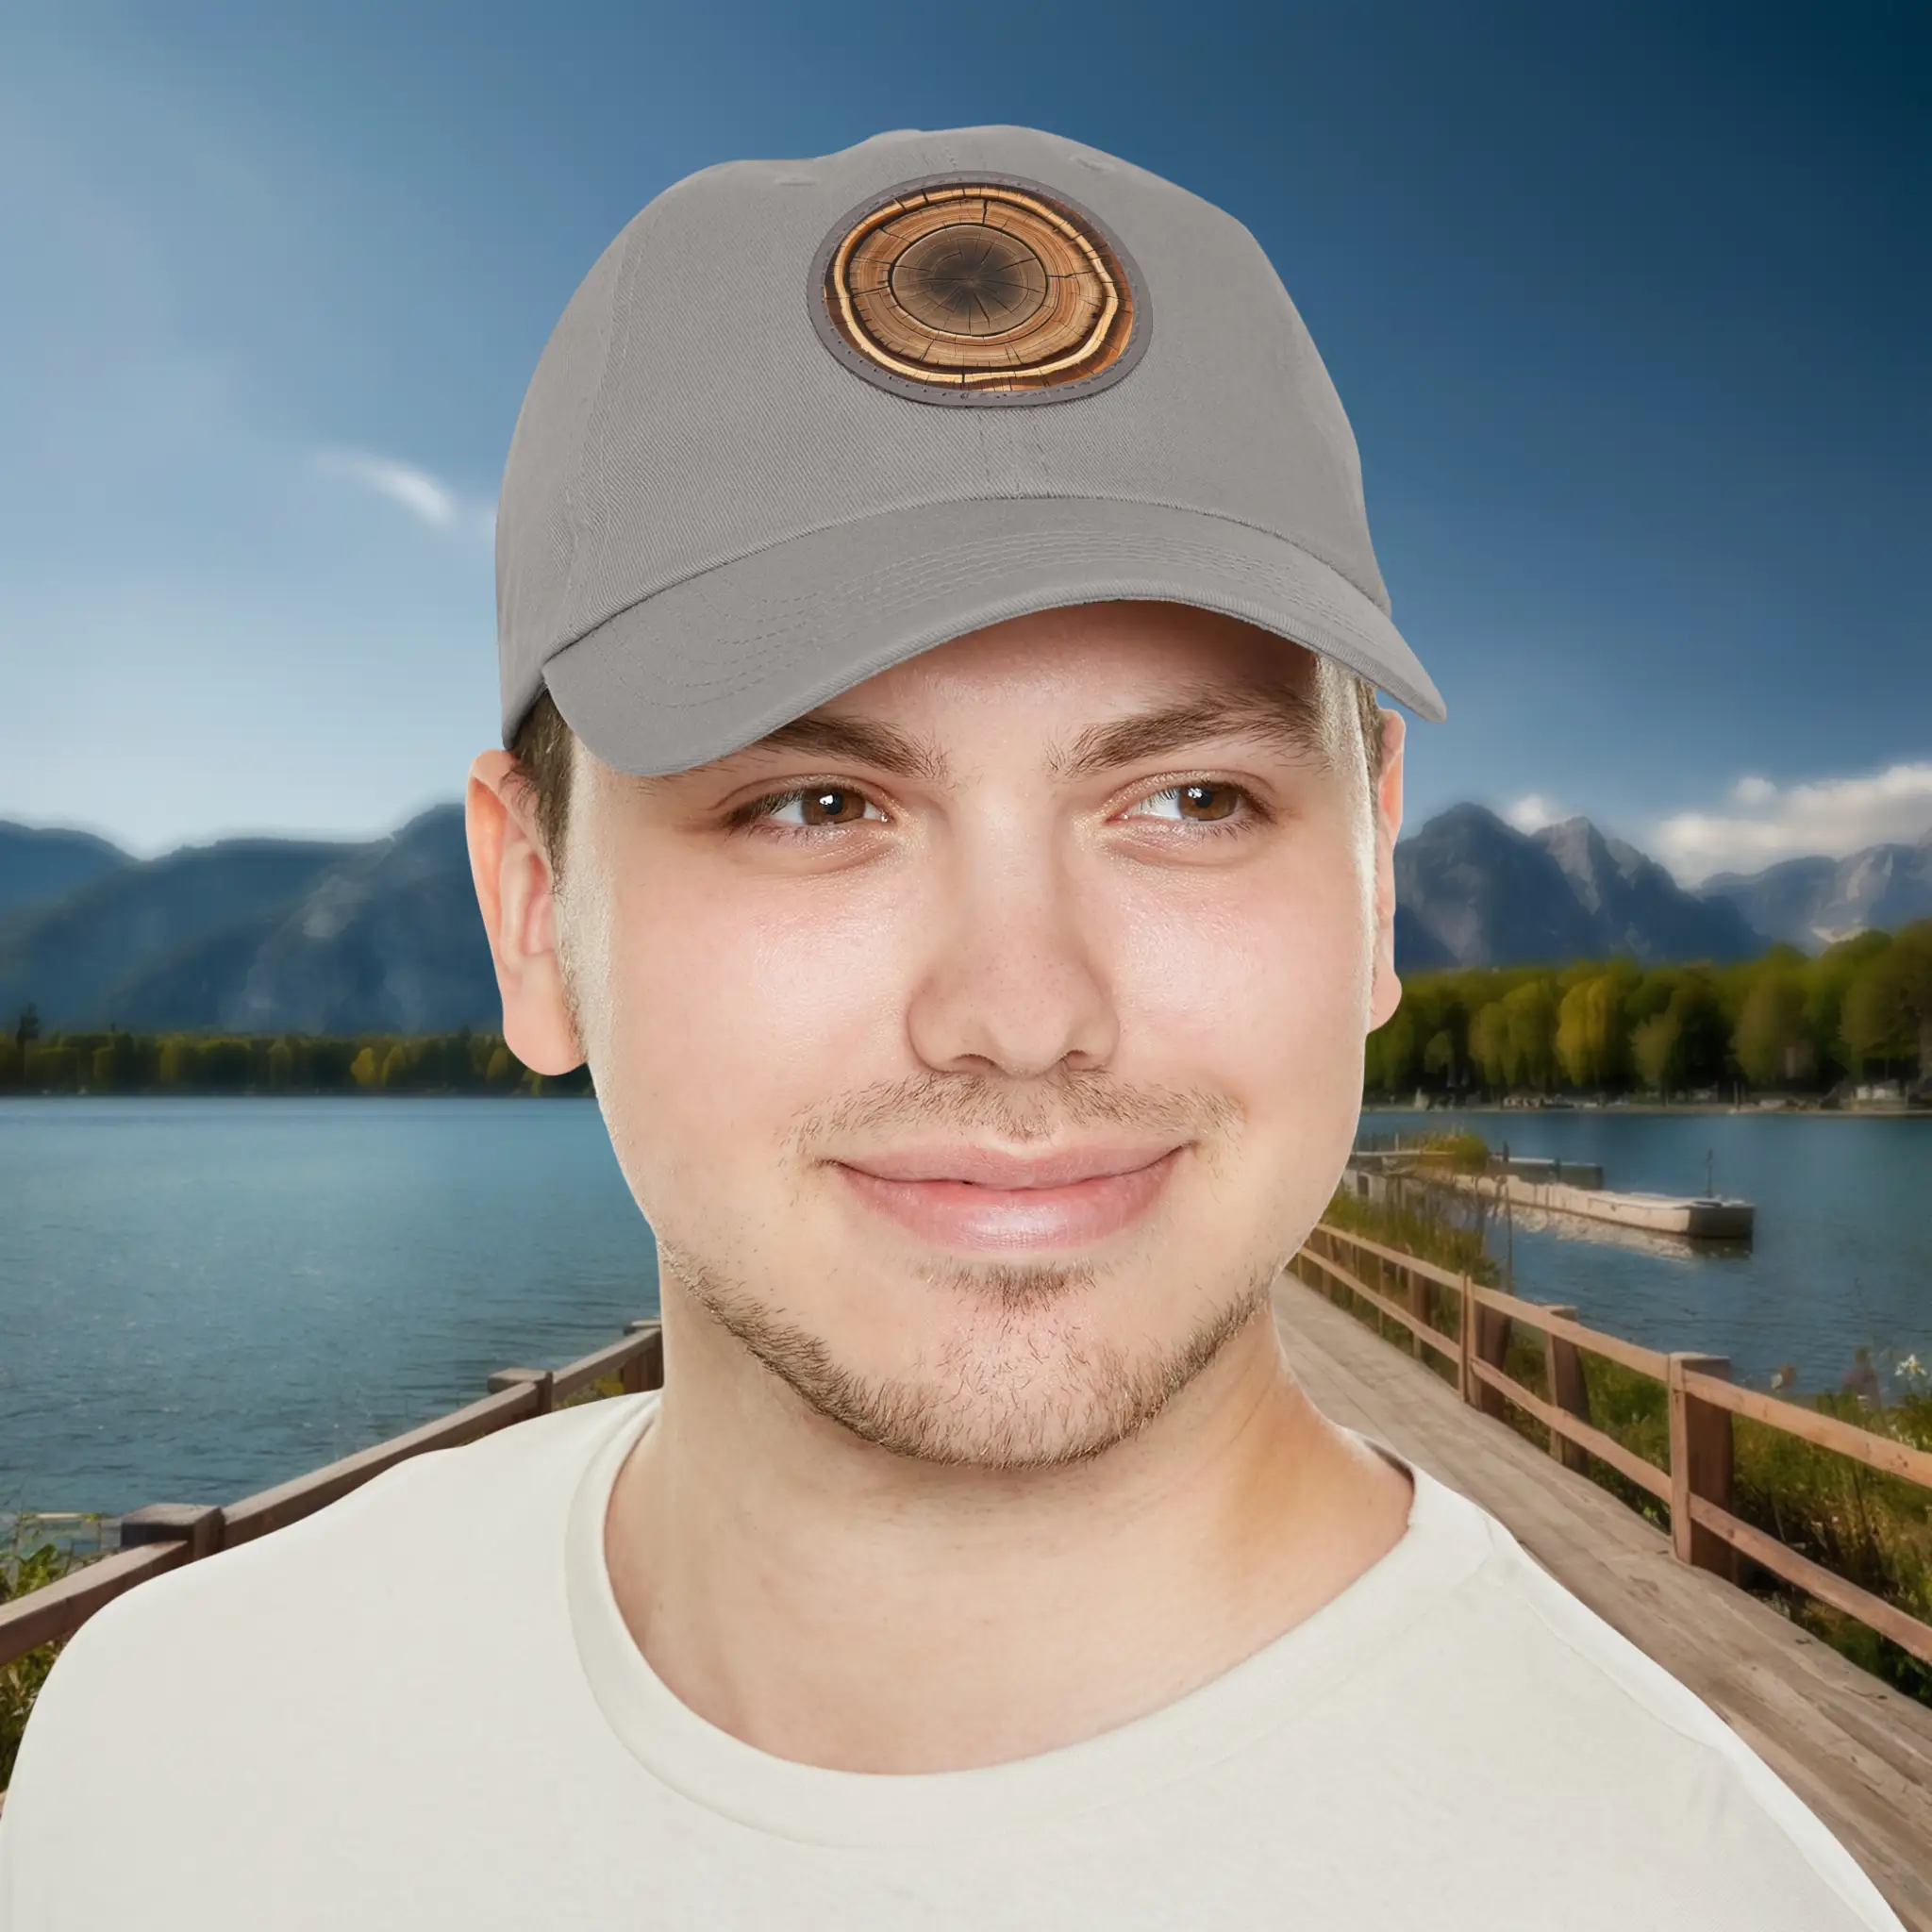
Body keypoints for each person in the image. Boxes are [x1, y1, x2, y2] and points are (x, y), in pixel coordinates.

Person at [0, 124, 1905, 1931]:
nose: (1022, 1008)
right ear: (531, 913)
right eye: (814, 805)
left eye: (1189, 803)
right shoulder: (154, 1763)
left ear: (1375, 876)